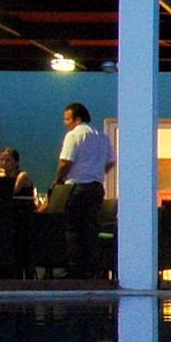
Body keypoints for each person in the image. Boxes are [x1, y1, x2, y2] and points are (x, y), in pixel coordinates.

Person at [55, 102, 113, 279]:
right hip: (96, 187)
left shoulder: (73, 135)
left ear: (77, 119)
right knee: (91, 229)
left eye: (67, 119)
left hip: (77, 187)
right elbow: (110, 162)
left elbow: (65, 162)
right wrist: (96, 172)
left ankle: (75, 270)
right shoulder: (102, 137)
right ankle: (92, 269)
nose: (65, 123)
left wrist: (58, 180)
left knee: (72, 229)